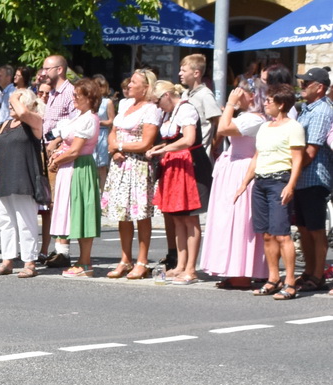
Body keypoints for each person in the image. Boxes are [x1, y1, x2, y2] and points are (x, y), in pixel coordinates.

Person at [235, 87, 306, 298]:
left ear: (281, 104)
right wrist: (244, 183)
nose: (265, 103)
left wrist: (290, 185)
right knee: (266, 235)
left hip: (279, 181)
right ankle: (273, 279)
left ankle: (290, 282)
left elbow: (297, 159)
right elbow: (258, 156)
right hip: (261, 182)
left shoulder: (294, 127)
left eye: (269, 100)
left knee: (282, 234)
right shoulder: (265, 126)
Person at [199, 86, 267, 288]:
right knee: (226, 220)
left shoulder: (256, 119)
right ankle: (230, 268)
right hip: (232, 168)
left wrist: (229, 104)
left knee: (239, 220)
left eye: (242, 92)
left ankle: (242, 272)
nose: (236, 94)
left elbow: (223, 128)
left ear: (253, 96)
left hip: (242, 168)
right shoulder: (245, 116)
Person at [103, 68, 160, 279]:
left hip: (138, 166)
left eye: (134, 82)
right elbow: (113, 132)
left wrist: (120, 146)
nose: (129, 85)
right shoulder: (126, 105)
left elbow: (146, 142)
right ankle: (125, 259)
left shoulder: (151, 110)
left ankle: (142, 261)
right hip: (120, 166)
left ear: (146, 87)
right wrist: (115, 148)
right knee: (122, 214)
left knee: (140, 214)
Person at [0, 88, 45, 276]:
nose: (11, 104)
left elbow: (23, 113)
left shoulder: (35, 121)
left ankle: (29, 262)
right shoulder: (6, 124)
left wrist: (14, 96)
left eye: (15, 101)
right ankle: (7, 260)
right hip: (4, 177)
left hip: (24, 177)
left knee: (25, 220)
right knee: (6, 221)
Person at [150, 82, 202, 284]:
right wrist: (159, 148)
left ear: (167, 95)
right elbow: (175, 138)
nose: (157, 106)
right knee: (177, 217)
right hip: (174, 164)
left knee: (190, 217)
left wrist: (164, 149)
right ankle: (180, 265)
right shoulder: (172, 113)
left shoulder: (186, 109)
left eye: (157, 101)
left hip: (189, 165)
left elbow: (189, 139)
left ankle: (191, 268)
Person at [51, 77, 102, 277]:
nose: (73, 98)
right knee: (74, 213)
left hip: (79, 168)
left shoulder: (89, 118)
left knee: (82, 213)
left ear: (88, 97)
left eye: (76, 95)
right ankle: (82, 261)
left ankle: (85, 262)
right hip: (70, 166)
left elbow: (75, 150)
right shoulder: (79, 116)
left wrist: (57, 160)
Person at [292, 67, 333, 293]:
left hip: (314, 177)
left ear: (320, 88)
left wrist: (293, 171)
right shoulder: (306, 109)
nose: (302, 86)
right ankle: (309, 270)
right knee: (304, 227)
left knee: (316, 229)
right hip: (303, 177)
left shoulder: (321, 111)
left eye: (307, 83)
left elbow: (311, 150)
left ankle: (317, 274)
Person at [38, 55, 76, 265]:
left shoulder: (69, 92)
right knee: (48, 203)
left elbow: (75, 123)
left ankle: (63, 249)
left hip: (59, 151)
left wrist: (57, 141)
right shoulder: (51, 93)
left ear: (60, 69)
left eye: (47, 68)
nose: (43, 72)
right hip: (45, 149)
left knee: (60, 201)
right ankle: (53, 247)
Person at [92, 74, 116, 191]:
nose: (99, 89)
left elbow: (112, 120)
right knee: (91, 165)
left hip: (102, 134)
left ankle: (103, 192)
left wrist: (99, 122)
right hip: (92, 134)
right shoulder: (91, 101)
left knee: (101, 166)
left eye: (101, 86)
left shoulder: (107, 102)